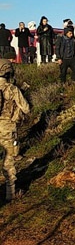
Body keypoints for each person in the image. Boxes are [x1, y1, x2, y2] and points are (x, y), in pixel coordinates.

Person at [0, 59, 30, 201]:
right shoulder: (12, 89)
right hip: (7, 129)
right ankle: (10, 193)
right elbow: (26, 108)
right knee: (8, 161)